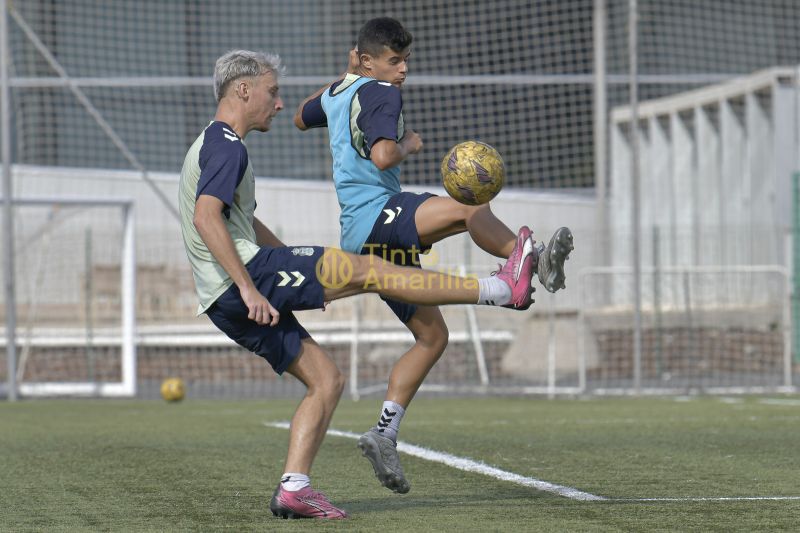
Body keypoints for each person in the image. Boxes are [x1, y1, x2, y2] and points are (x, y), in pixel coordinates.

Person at [179, 50, 540, 520]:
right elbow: (207, 217)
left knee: (326, 380)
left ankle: (295, 487)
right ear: (243, 90)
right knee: (371, 269)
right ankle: (500, 288)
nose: (280, 104)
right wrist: (253, 286)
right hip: (243, 283)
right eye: (272, 92)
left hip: (223, 296)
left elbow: (240, 220)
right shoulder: (228, 145)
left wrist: (291, 267)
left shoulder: (213, 144)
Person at [294, 17, 574, 495]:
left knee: (432, 339)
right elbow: (383, 157)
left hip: (362, 239)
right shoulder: (381, 92)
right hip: (377, 215)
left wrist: (348, 73)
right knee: (469, 207)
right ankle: (530, 260)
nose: (402, 70)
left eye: (405, 61)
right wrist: (409, 143)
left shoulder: (340, 91)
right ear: (368, 60)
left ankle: (384, 433)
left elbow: (301, 116)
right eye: (393, 61)